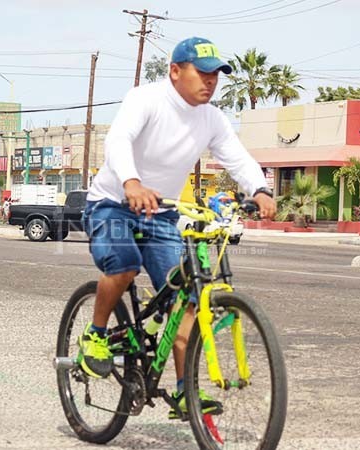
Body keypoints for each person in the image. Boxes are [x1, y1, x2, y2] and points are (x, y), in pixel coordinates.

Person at [79, 36, 276, 418]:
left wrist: (261, 188)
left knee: (186, 298)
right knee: (123, 267)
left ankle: (186, 391)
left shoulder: (212, 119)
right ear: (175, 71)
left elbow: (237, 157)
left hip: (162, 212)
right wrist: (131, 182)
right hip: (112, 202)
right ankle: (97, 335)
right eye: (202, 73)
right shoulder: (145, 99)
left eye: (216, 75)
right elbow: (119, 139)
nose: (210, 82)